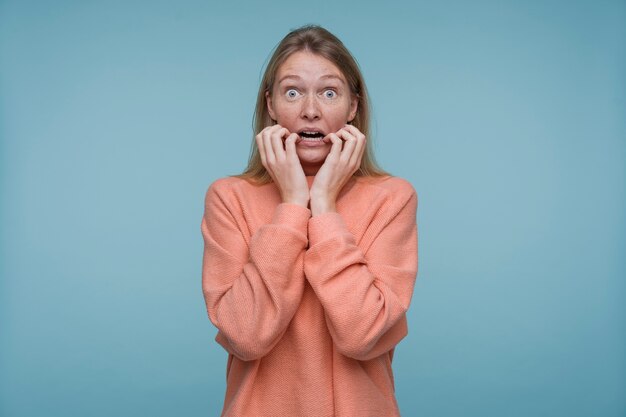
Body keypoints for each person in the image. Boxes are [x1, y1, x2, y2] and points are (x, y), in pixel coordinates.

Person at [200, 24, 418, 417]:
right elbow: (245, 337)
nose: (311, 110)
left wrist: (325, 206)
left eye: (329, 92)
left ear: (354, 105)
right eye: (293, 92)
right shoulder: (229, 197)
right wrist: (292, 206)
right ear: (270, 106)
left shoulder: (392, 198)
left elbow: (363, 334)